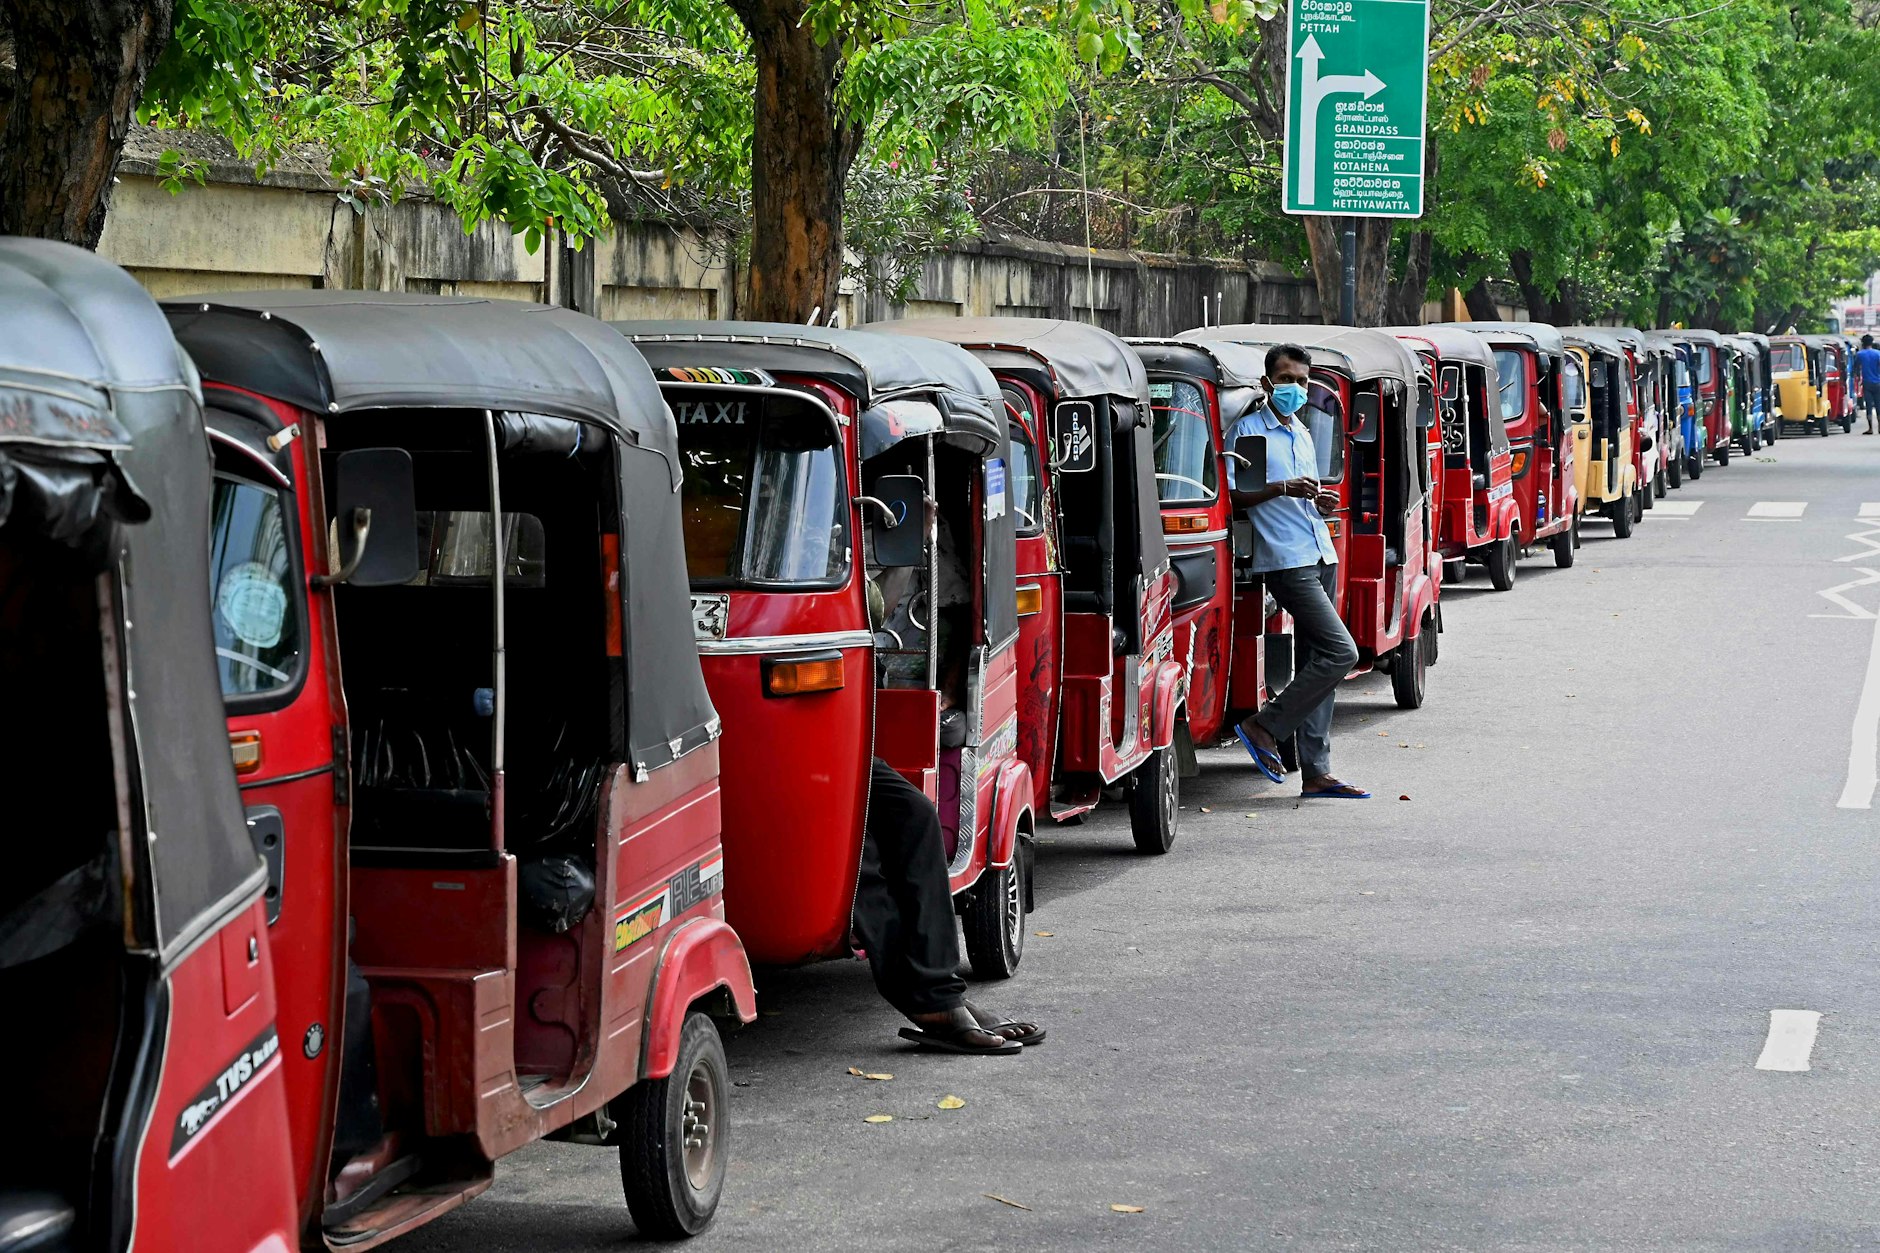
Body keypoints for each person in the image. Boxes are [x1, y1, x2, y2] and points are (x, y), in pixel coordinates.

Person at [1225, 343, 1368, 800]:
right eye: (1287, 379)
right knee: (1340, 653)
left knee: (1317, 663)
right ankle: (1263, 725)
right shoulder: (1249, 432)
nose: (1295, 388)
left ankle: (1317, 771)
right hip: (1285, 560)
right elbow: (1234, 494)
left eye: (1302, 381)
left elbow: (1301, 494)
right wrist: (1282, 487)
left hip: (1319, 550)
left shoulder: (1302, 431)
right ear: (1268, 382)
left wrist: (1317, 497)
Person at [1856, 334, 1880, 435]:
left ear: (1863, 343)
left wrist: (1858, 377)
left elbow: (1856, 367)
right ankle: (1879, 427)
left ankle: (1870, 428)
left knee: (1869, 406)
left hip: (1867, 383)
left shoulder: (1860, 354)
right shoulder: (1878, 354)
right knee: (1879, 405)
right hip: (1878, 382)